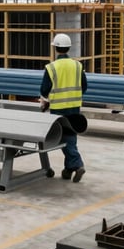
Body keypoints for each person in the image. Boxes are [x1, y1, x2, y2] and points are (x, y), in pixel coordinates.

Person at [40, 33, 88, 183]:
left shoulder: (52, 67)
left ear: (56, 48)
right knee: (70, 135)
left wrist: (46, 101)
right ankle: (68, 170)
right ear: (68, 48)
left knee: (64, 137)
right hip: (74, 107)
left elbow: (44, 89)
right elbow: (84, 86)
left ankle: (77, 163)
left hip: (59, 109)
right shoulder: (77, 65)